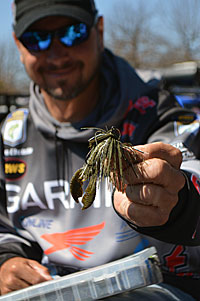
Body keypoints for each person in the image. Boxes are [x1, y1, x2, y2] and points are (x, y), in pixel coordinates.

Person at [0, 0, 199, 299]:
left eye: (73, 32)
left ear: (99, 31)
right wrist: (6, 262)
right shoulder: (10, 136)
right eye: (36, 38)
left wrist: (177, 202)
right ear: (18, 45)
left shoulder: (159, 114)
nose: (56, 52)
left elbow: (192, 181)